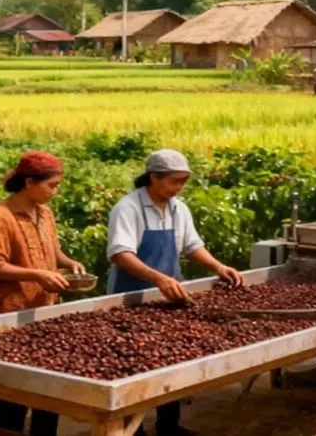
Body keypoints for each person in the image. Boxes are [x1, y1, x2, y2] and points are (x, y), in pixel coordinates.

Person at [107, 149, 244, 436]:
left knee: (170, 359)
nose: (178, 187)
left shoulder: (178, 208)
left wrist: (218, 267)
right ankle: (134, 430)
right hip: (132, 299)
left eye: (183, 182)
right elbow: (121, 253)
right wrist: (158, 278)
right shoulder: (128, 208)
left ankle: (168, 426)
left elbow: (192, 246)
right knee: (133, 363)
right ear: (153, 178)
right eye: (174, 181)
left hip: (169, 298)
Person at [0, 151, 84, 435]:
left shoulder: (44, 212)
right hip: (11, 315)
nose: (55, 192)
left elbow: (50, 248)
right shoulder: (0, 218)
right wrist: (36, 274)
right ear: (29, 183)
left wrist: (67, 262)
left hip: (45, 312)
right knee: (14, 390)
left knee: (49, 387)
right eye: (52, 185)